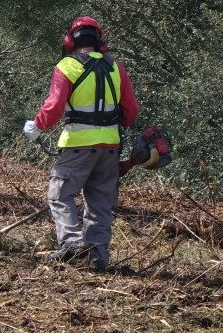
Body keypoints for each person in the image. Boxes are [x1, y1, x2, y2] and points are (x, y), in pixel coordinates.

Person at [24, 16, 140, 273]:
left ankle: (71, 244)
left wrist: (37, 125)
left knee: (60, 193)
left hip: (77, 145)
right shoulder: (116, 67)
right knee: (100, 202)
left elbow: (53, 108)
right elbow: (131, 112)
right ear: (100, 42)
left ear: (69, 41)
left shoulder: (66, 67)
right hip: (110, 146)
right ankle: (99, 259)